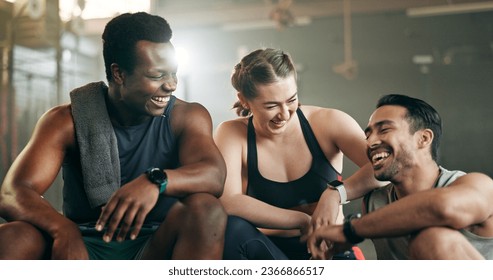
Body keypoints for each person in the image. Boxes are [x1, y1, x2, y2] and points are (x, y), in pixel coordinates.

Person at [0, 12, 228, 260]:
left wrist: (155, 181)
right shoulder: (65, 121)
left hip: (154, 243)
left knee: (207, 209)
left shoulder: (187, 115)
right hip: (85, 243)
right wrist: (63, 229)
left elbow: (213, 175)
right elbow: (13, 192)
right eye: (156, 75)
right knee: (14, 236)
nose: (171, 85)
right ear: (118, 74)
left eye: (173, 73)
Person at [215, 48, 382, 259]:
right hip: (269, 252)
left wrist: (335, 193)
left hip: (329, 250)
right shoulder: (231, 133)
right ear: (245, 100)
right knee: (231, 228)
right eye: (271, 105)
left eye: (291, 100)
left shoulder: (329, 121)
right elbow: (229, 201)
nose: (284, 114)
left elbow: (384, 169)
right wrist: (302, 220)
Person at [307, 94, 493, 260]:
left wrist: (350, 231)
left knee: (431, 240)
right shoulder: (375, 203)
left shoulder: (477, 186)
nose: (370, 142)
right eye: (368, 134)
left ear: (424, 138)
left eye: (385, 130)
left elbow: (442, 208)